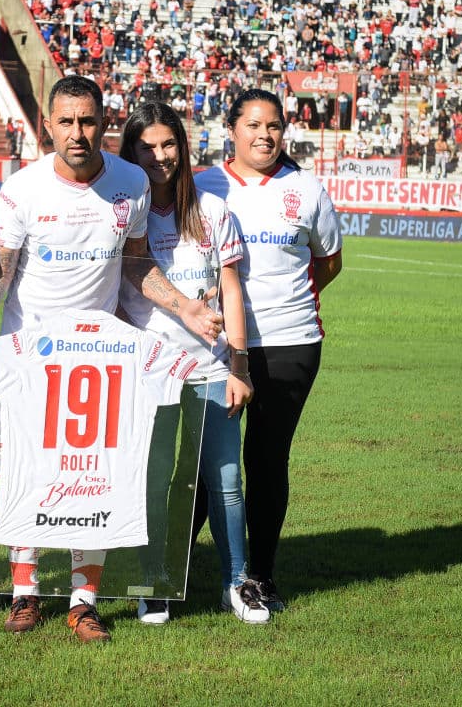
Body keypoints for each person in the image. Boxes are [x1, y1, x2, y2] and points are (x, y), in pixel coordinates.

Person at [0, 75, 221, 643]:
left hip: (99, 357)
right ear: (48, 125)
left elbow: (138, 264)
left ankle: (84, 601)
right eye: (66, 122)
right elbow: (2, 271)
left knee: (94, 476)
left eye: (88, 121)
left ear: (104, 123)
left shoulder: (132, 183)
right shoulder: (22, 190)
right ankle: (24, 594)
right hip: (32, 357)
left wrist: (186, 307)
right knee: (25, 474)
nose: (77, 133)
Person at [117, 102, 268, 625]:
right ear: (131, 152)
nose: (160, 157)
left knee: (225, 480)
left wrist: (240, 368)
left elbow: (231, 288)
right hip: (150, 374)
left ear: (182, 146)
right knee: (154, 480)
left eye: (168, 144)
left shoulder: (212, 211)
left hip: (211, 370)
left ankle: (238, 583)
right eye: (147, 147)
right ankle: (153, 582)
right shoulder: (125, 212)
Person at [195, 88, 343, 613]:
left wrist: (286, 304)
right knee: (204, 462)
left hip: (289, 344)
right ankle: (176, 568)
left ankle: (260, 575)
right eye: (253, 125)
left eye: (274, 126)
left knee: (264, 459)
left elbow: (327, 261)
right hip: (213, 345)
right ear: (231, 129)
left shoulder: (306, 189)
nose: (264, 135)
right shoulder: (202, 185)